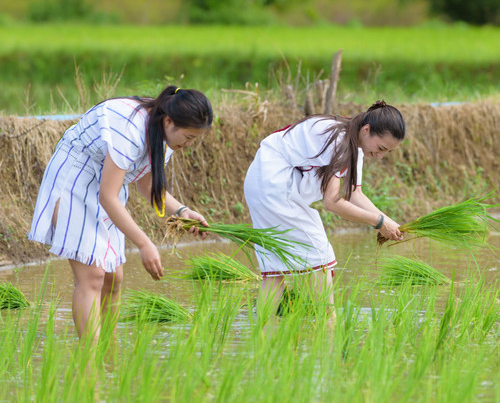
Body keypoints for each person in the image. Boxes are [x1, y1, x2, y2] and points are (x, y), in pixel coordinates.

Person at [29, 86, 213, 340]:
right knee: (93, 275)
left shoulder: (164, 134)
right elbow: (108, 196)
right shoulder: (129, 127)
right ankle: (90, 365)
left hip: (106, 184)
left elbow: (147, 185)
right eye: (189, 137)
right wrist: (144, 243)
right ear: (169, 121)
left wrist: (182, 211)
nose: (189, 144)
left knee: (113, 277)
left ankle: (109, 352)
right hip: (75, 179)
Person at [244, 100, 405, 319]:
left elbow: (354, 193)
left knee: (275, 268)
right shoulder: (339, 140)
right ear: (367, 130)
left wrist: (388, 222)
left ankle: (263, 336)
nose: (380, 155)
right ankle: (328, 330)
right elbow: (333, 202)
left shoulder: (352, 140)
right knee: (319, 255)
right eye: (381, 148)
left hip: (264, 183)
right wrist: (378, 223)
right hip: (273, 185)